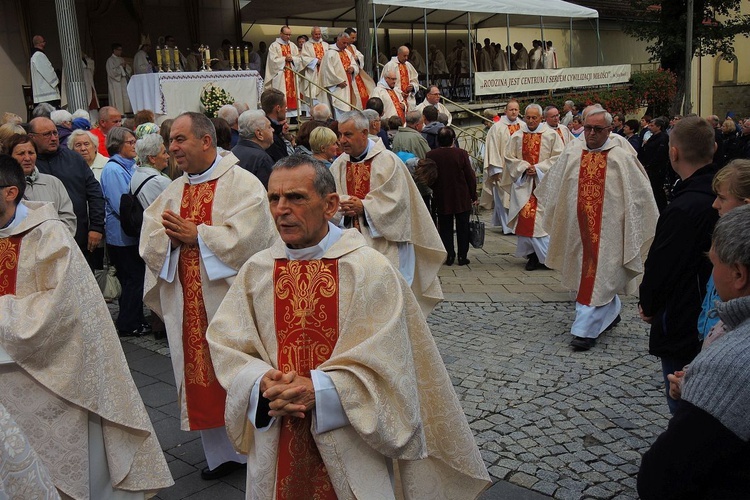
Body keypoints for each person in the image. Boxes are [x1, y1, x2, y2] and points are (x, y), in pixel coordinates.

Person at [205, 155, 491, 499]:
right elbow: (228, 345)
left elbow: (391, 366)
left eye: (295, 197)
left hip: (352, 441)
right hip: (277, 434)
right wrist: (261, 383)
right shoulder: (257, 271)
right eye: (273, 198)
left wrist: (320, 391)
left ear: (330, 205)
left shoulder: (369, 269)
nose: (281, 209)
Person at [0, 155, 173, 498]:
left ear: (10, 192)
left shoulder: (48, 235)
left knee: (66, 466)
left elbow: (62, 307)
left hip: (55, 375)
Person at [140, 112, 277, 480]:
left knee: (239, 369)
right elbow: (149, 240)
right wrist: (167, 240)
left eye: (180, 139)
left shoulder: (242, 184)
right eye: (171, 141)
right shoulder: (172, 190)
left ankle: (256, 449)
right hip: (187, 304)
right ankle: (220, 456)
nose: (172, 147)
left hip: (228, 302)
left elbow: (254, 237)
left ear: (206, 141)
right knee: (199, 375)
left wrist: (198, 234)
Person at [637, 204, 750, 500]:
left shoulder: (731, 360)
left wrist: (703, 388)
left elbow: (662, 476)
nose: (711, 273)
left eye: (714, 264)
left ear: (738, 275)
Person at [536, 108, 659, 351]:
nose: (591, 134)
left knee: (603, 275)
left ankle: (585, 330)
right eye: (588, 128)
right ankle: (611, 313)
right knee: (590, 276)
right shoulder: (572, 152)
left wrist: (629, 224)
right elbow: (556, 189)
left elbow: (640, 195)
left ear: (609, 130)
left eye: (597, 129)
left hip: (610, 231)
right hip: (578, 230)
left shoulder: (621, 157)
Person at [638, 116, 720, 415]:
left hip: (685, 319)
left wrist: (648, 304)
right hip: (713, 316)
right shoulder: (722, 195)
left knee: (684, 401)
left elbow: (662, 265)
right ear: (713, 147)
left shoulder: (684, 207)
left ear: (673, 153)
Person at [330, 110, 445, 315]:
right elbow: (330, 198)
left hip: (385, 242)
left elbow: (398, 203)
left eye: (347, 135)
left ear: (364, 133)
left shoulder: (388, 162)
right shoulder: (339, 164)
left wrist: (364, 207)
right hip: (348, 241)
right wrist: (341, 206)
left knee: (389, 301)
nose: (342, 140)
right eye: (340, 135)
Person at [30, 117, 105, 270]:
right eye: (46, 134)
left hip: (79, 237)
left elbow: (95, 193)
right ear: (32, 137)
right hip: (42, 243)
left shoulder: (74, 158)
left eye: (55, 133)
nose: (53, 138)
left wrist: (96, 227)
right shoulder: (29, 163)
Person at [100, 126, 151, 337]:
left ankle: (135, 318)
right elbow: (120, 203)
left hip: (129, 234)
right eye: (130, 142)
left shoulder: (129, 165)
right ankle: (128, 323)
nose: (134, 146)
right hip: (121, 236)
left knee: (134, 278)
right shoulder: (113, 169)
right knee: (133, 279)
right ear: (118, 145)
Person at [501, 103, 563, 271]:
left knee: (542, 223)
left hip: (544, 184)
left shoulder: (551, 135)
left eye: (534, 118)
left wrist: (538, 168)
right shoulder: (517, 136)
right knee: (526, 219)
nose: (530, 121)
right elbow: (509, 157)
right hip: (524, 185)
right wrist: (522, 167)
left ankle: (546, 257)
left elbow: (559, 157)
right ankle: (533, 256)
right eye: (527, 117)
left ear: (541, 118)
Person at [6, 133, 76, 235]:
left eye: (31, 153)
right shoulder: (5, 187)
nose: (27, 158)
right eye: (21, 154)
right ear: (10, 157)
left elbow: (68, 218)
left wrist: (53, 240)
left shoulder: (53, 183)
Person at [426, 127, 477, 266]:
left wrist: (435, 189)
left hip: (442, 195)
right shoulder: (461, 154)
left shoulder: (431, 155)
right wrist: (474, 195)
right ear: (453, 139)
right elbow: (470, 176)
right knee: (463, 227)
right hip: (461, 195)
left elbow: (428, 177)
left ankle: (449, 255)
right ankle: (462, 256)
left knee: (445, 227)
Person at [320, 32, 361, 118]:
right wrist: (338, 82)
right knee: (340, 108)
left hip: (348, 85)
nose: (346, 45)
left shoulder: (347, 52)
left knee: (349, 107)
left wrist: (353, 69)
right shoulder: (330, 53)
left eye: (347, 43)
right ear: (338, 40)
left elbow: (354, 64)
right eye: (344, 43)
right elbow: (327, 71)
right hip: (338, 87)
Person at [231, 109, 275, 188]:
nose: (273, 130)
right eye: (269, 127)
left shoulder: (232, 153)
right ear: (259, 134)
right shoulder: (262, 159)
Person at [637, 116, 671, 212]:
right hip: (650, 166)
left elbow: (659, 154)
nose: (649, 127)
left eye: (652, 125)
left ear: (659, 127)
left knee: (657, 189)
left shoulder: (663, 138)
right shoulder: (653, 137)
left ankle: (661, 208)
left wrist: (649, 165)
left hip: (657, 168)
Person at [265, 26, 301, 114]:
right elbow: (272, 61)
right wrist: (284, 59)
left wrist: (292, 58)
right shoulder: (274, 46)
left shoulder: (292, 45)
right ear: (281, 34)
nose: (288, 37)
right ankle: (282, 114)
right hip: (280, 75)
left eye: (290, 35)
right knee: (281, 94)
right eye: (286, 34)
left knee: (294, 95)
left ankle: (294, 117)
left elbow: (299, 59)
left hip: (292, 74)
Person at [131, 132, 172, 208]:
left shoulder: (136, 173)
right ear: (152, 158)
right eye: (164, 153)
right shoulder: (160, 181)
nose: (168, 156)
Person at [382, 46, 420, 110]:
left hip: (409, 99)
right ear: (398, 54)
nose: (406, 58)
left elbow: (415, 80)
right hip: (395, 98)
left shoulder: (408, 65)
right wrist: (399, 92)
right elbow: (384, 83)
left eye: (407, 56)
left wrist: (412, 87)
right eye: (404, 56)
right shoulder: (389, 65)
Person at [300, 26, 329, 107]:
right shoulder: (306, 45)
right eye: (316, 34)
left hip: (324, 72)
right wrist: (316, 61)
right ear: (312, 34)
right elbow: (304, 58)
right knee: (313, 93)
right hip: (313, 72)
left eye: (319, 34)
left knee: (325, 94)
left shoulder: (326, 45)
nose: (318, 36)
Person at [260, 88, 290, 163]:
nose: (286, 110)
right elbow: (283, 164)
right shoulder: (271, 138)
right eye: (285, 107)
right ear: (278, 108)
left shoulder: (270, 127)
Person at [29, 35, 60, 106]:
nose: (45, 43)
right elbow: (48, 72)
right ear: (40, 43)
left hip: (42, 94)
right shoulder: (39, 55)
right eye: (44, 41)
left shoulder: (34, 55)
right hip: (47, 96)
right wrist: (56, 81)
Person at [106, 44, 132, 115]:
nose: (120, 52)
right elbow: (112, 72)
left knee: (124, 99)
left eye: (121, 50)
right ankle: (118, 113)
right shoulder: (110, 60)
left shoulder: (121, 59)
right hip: (115, 83)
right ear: (114, 50)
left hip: (123, 82)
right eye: (119, 50)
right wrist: (121, 67)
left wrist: (125, 67)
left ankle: (126, 113)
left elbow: (129, 70)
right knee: (117, 99)